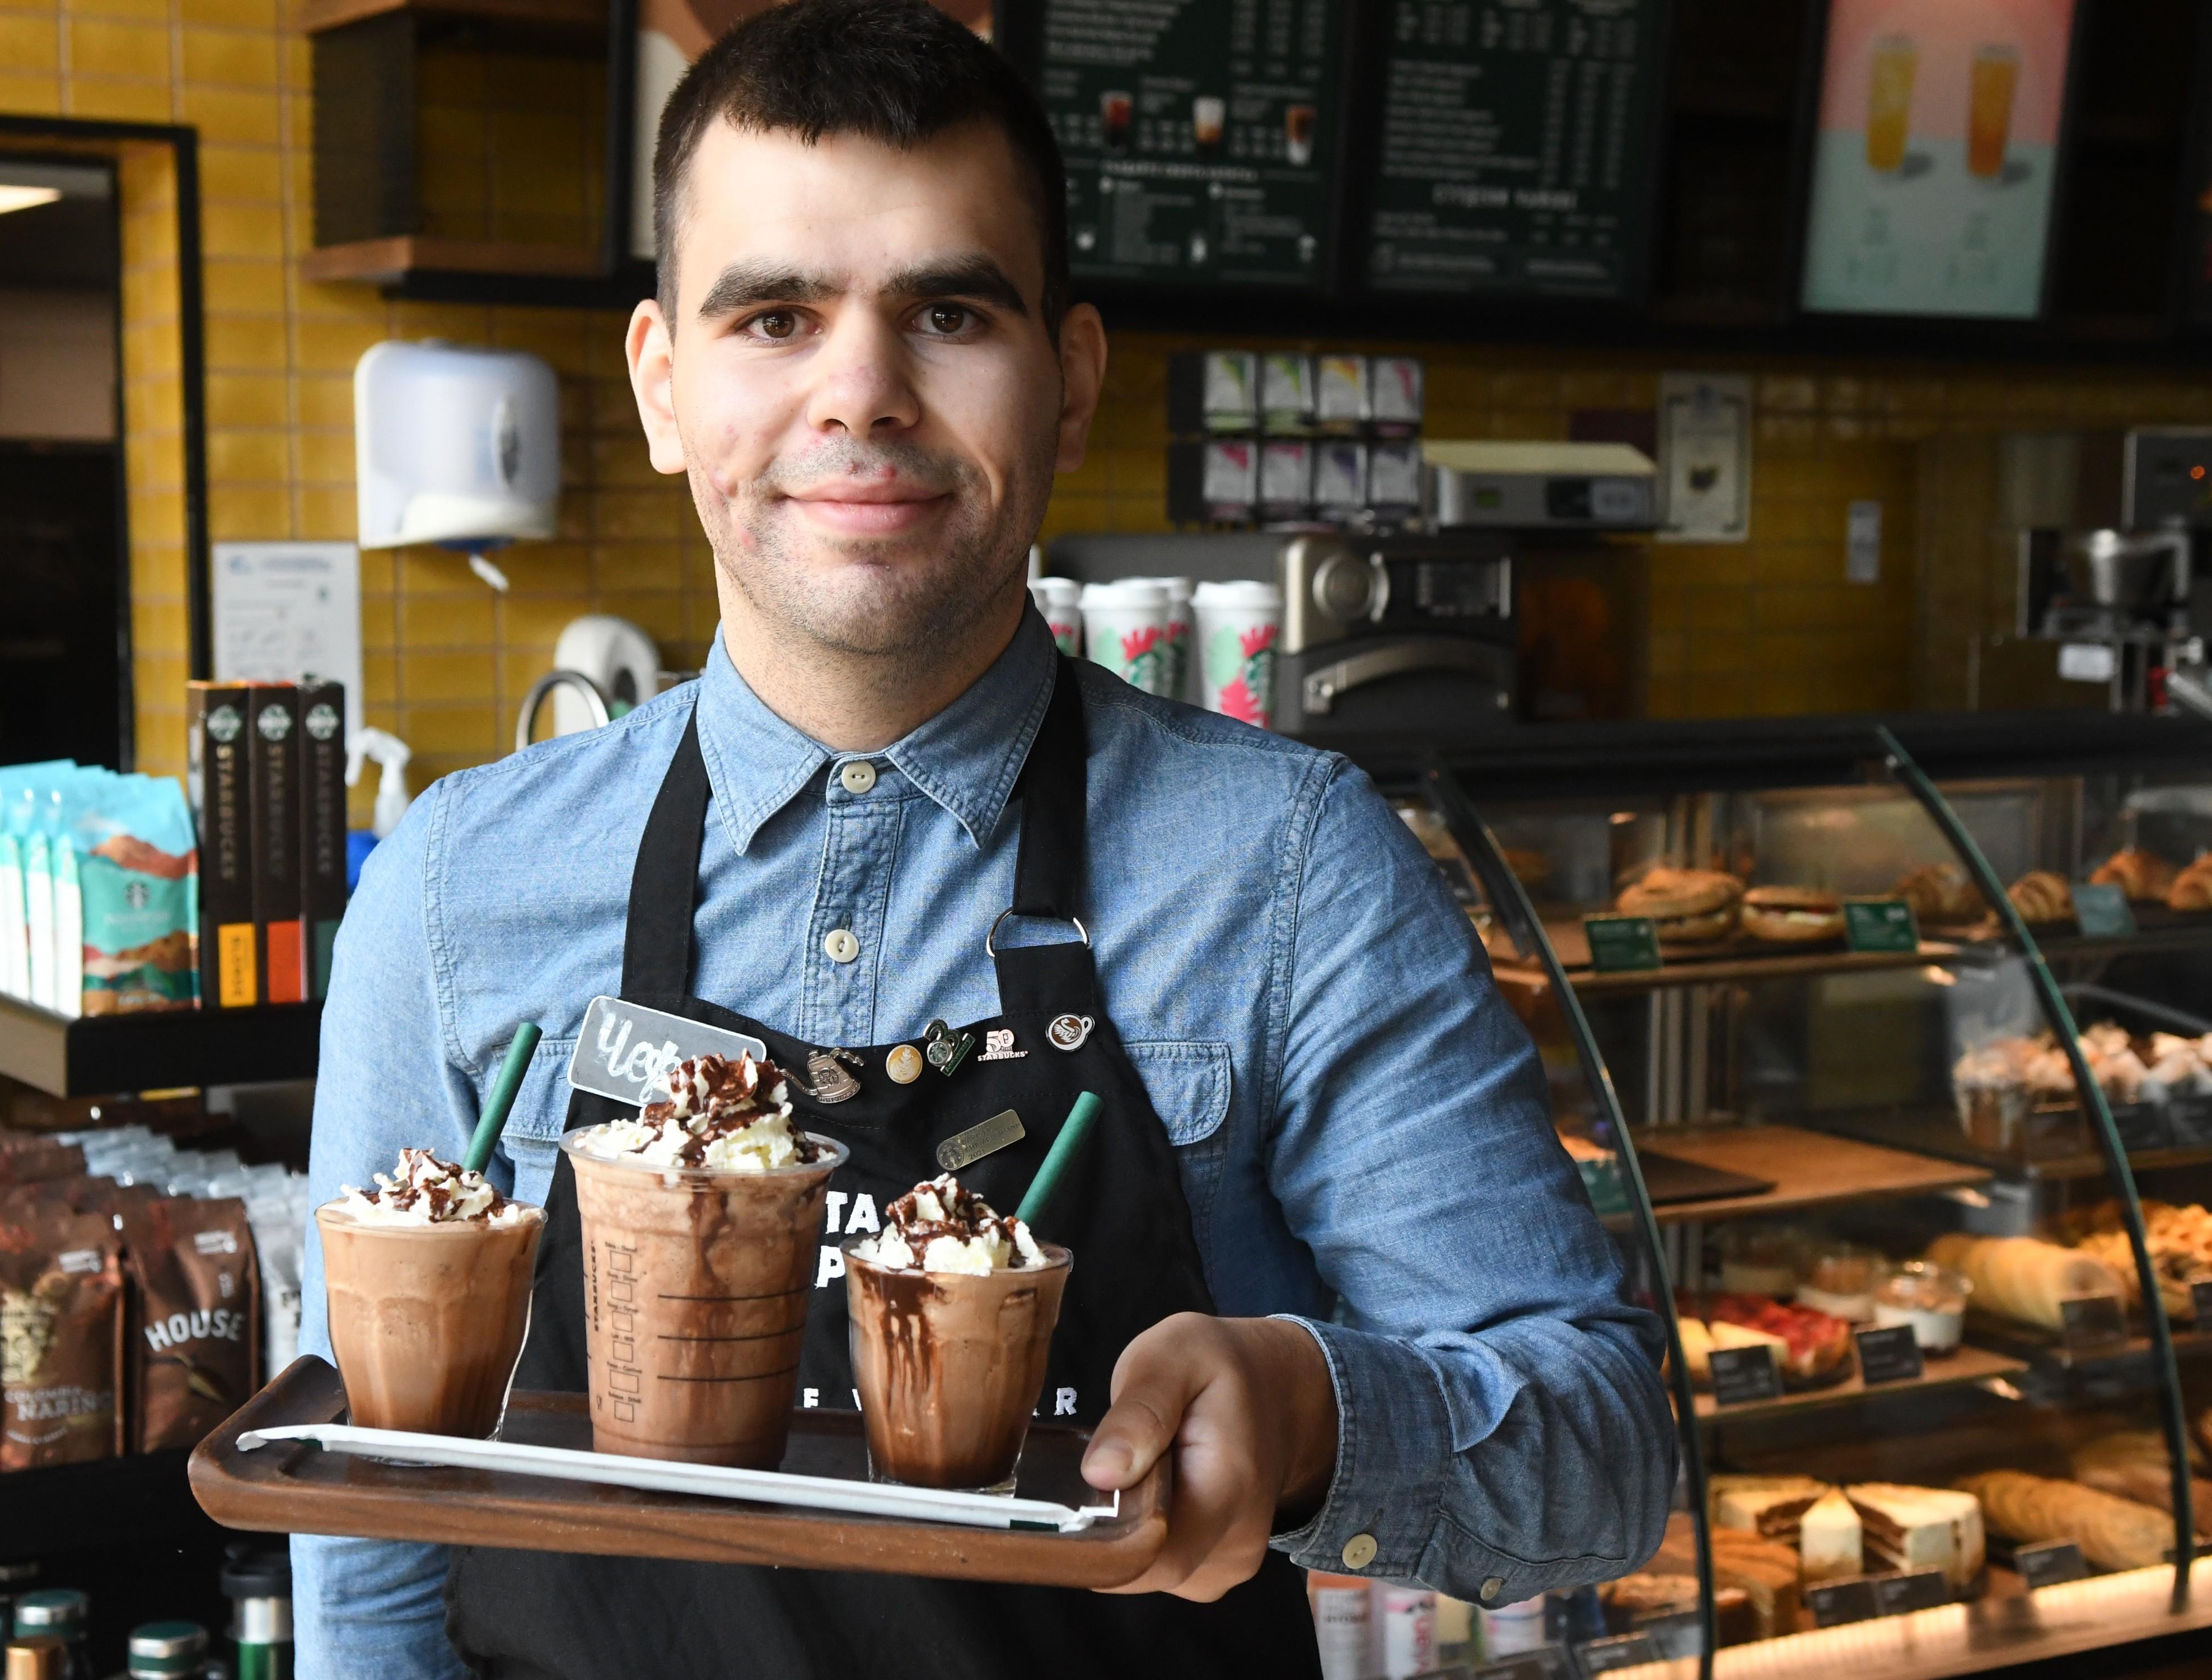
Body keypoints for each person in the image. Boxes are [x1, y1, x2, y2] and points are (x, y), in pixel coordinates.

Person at [293, 2, 1673, 1675]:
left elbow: (1603, 1460)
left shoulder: (1294, 871)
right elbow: (368, 1531)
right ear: (662, 386)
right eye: (776, 317)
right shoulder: (456, 889)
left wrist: (1313, 1412)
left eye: (947, 313)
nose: (861, 394)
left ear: (1069, 381)